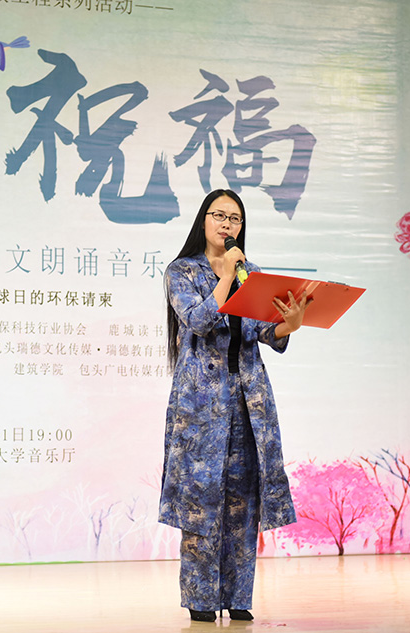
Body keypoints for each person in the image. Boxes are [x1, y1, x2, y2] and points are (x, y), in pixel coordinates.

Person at [158, 189, 308, 623]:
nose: (227, 225)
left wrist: (289, 324)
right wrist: (225, 275)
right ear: (203, 220)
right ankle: (201, 600)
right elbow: (200, 321)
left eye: (235, 219)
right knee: (201, 502)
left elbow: (264, 333)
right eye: (219, 216)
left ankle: (239, 596)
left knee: (243, 500)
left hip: (247, 403)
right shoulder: (181, 271)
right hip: (200, 407)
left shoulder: (251, 274)